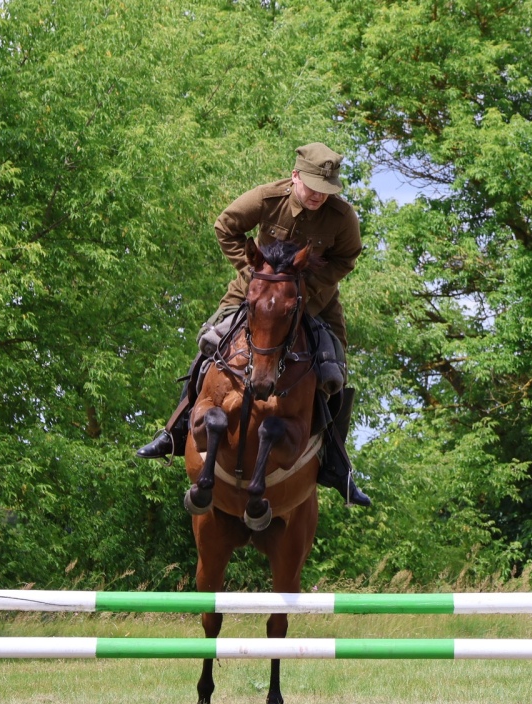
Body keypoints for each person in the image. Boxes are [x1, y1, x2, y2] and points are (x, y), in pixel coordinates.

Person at [136, 143, 371, 507]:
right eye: (312, 188)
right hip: (255, 298)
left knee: (334, 371)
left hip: (315, 304)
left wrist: (305, 286)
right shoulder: (266, 198)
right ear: (295, 177)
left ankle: (338, 467)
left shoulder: (342, 217)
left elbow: (348, 257)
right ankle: (174, 431)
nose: (318, 197)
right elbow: (225, 225)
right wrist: (256, 279)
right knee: (209, 345)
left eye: (326, 191)